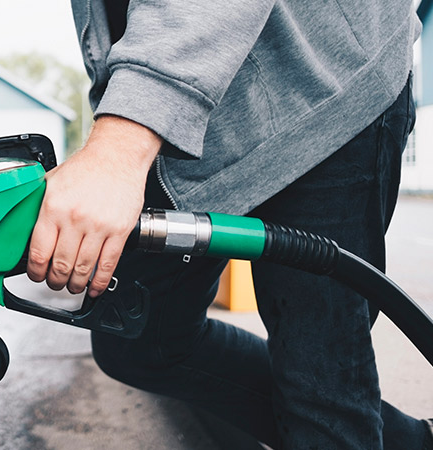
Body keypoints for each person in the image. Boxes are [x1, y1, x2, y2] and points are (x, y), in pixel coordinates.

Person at [26, 0, 430, 448]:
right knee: (136, 337)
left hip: (325, 89)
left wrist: (119, 146)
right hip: (197, 116)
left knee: (319, 374)